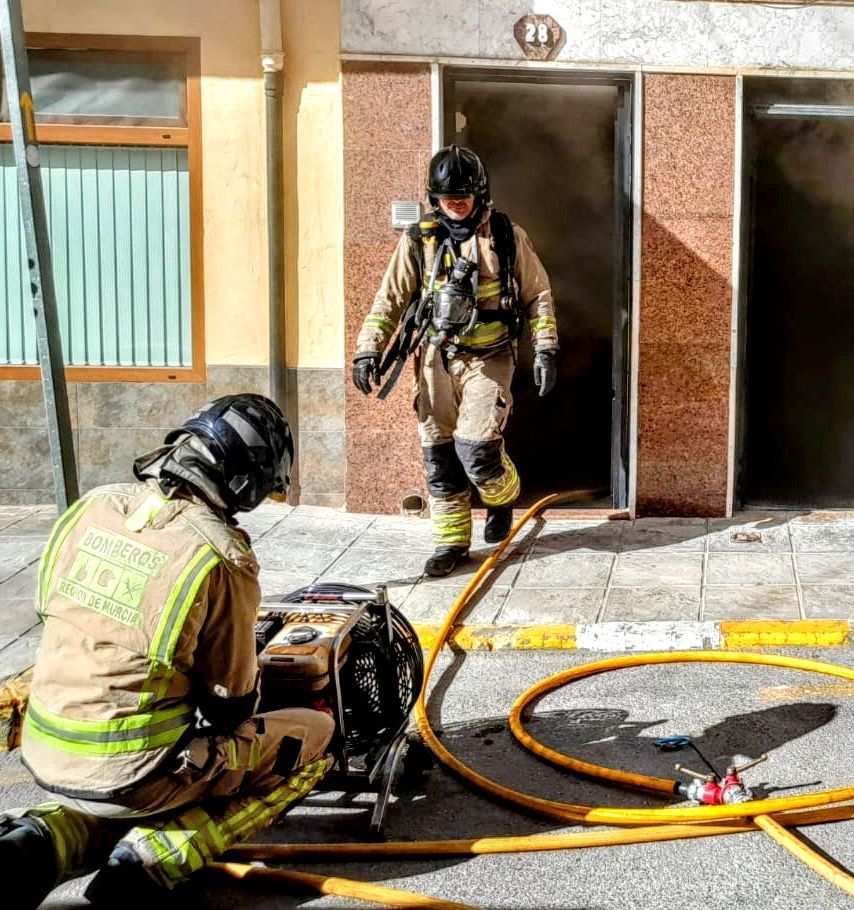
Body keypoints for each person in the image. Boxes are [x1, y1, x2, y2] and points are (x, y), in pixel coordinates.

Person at [0, 394, 334, 906]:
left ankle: (39, 841)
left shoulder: (92, 507)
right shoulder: (219, 555)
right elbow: (230, 704)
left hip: (46, 749)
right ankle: (153, 860)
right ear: (244, 483)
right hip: (138, 772)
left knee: (124, 785)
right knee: (316, 739)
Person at [352, 145, 559, 578]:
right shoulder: (419, 240)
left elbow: (537, 294)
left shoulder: (505, 235)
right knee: (440, 455)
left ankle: (502, 496)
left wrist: (545, 348)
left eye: (462, 198)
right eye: (447, 200)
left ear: (479, 195)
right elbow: (389, 298)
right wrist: (368, 348)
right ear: (434, 199)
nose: (455, 206)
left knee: (477, 449)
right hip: (434, 361)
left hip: (490, 358)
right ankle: (451, 542)